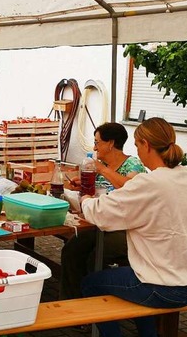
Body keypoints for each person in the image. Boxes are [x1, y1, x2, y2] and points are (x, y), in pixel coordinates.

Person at [79, 117, 187, 337]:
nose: (137, 151)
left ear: (146, 145)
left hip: (166, 286)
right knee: (133, 279)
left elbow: (103, 214)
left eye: (138, 145)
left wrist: (83, 201)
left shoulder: (149, 184)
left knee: (91, 284)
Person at [60, 123, 146, 300]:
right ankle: (73, 303)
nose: (94, 147)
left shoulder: (133, 164)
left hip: (124, 229)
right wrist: (82, 185)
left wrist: (102, 169)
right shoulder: (101, 167)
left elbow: (130, 186)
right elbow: (95, 195)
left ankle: (97, 306)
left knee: (96, 257)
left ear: (111, 143)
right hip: (99, 224)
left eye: (97, 142)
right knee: (72, 249)